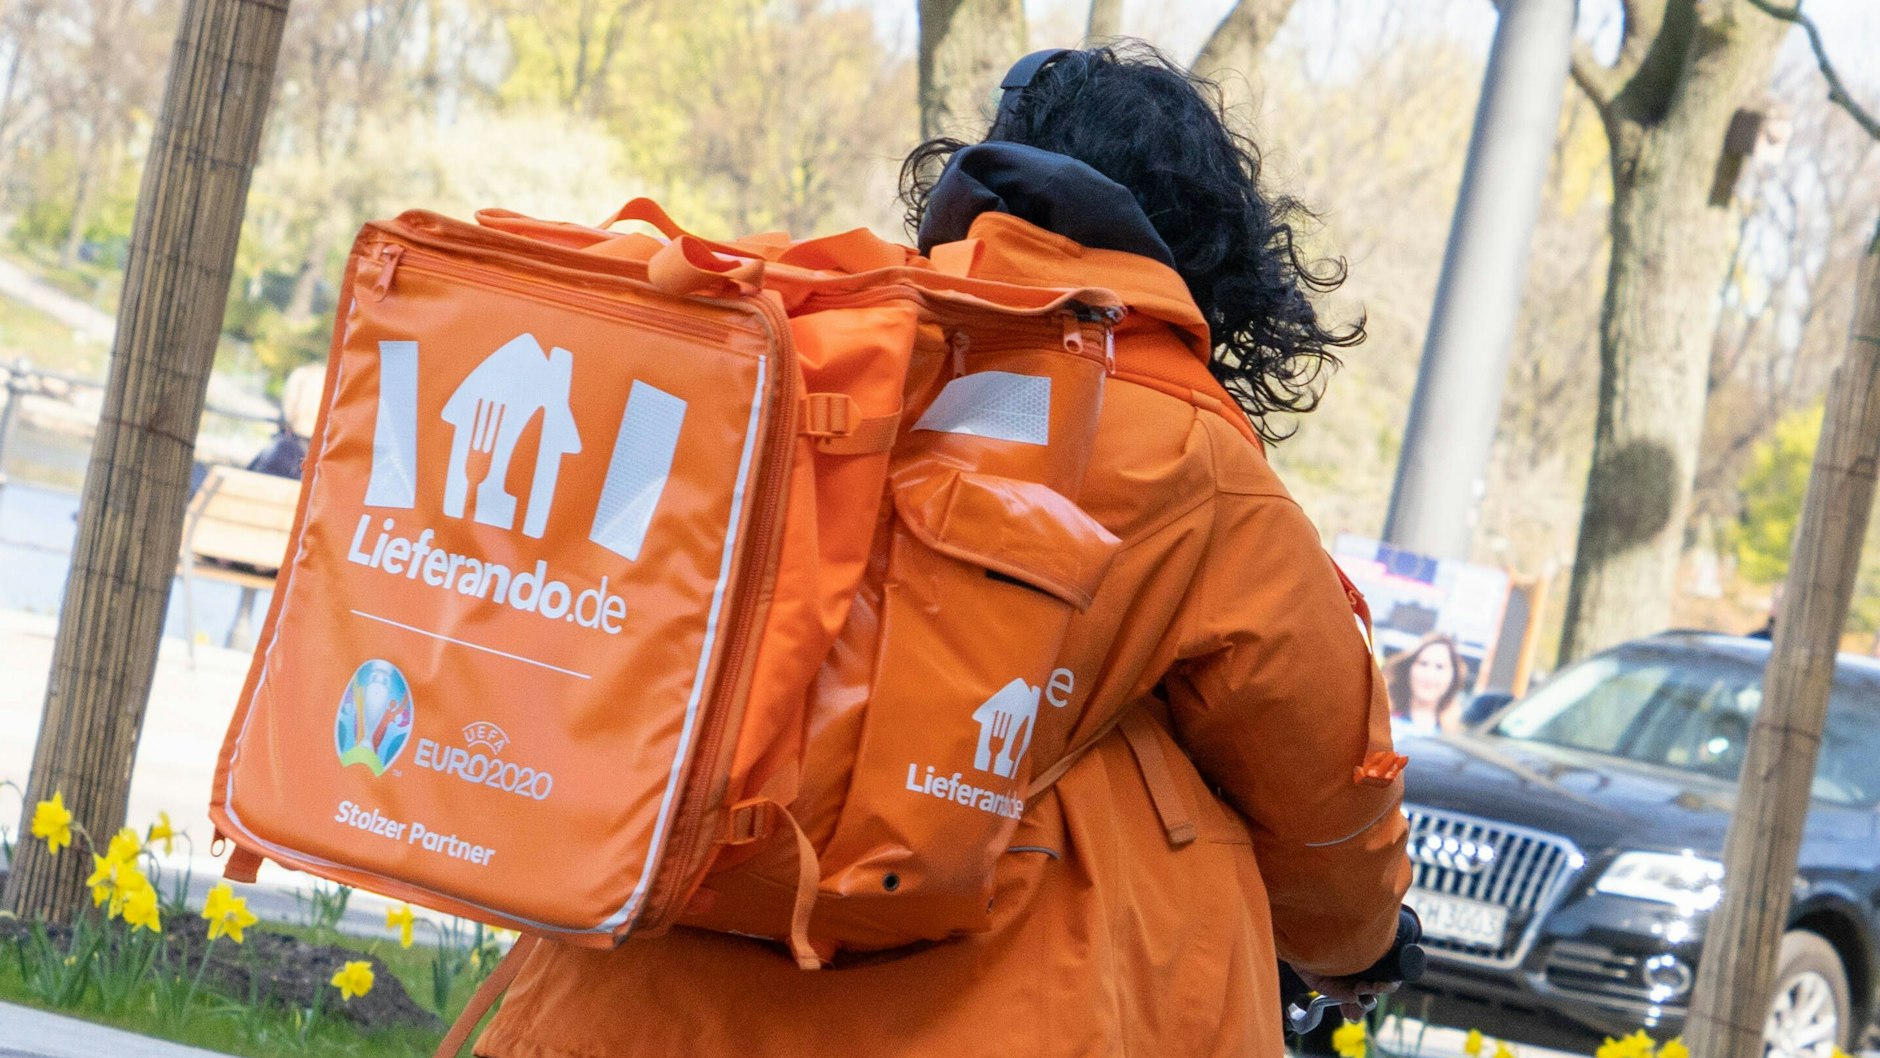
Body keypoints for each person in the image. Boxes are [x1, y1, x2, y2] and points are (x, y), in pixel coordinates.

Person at [473, 43, 1410, 1058]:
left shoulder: (830, 342)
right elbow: (1319, 774)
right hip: (984, 1002)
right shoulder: (1186, 448)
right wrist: (1358, 946)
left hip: (635, 988)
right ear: (1206, 249)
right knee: (1140, 768)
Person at [1384, 633, 1470, 734]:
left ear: (1453, 676)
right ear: (1409, 668)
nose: (1429, 675)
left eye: (1440, 667)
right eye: (1423, 664)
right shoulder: (1379, 720)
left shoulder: (1456, 736)